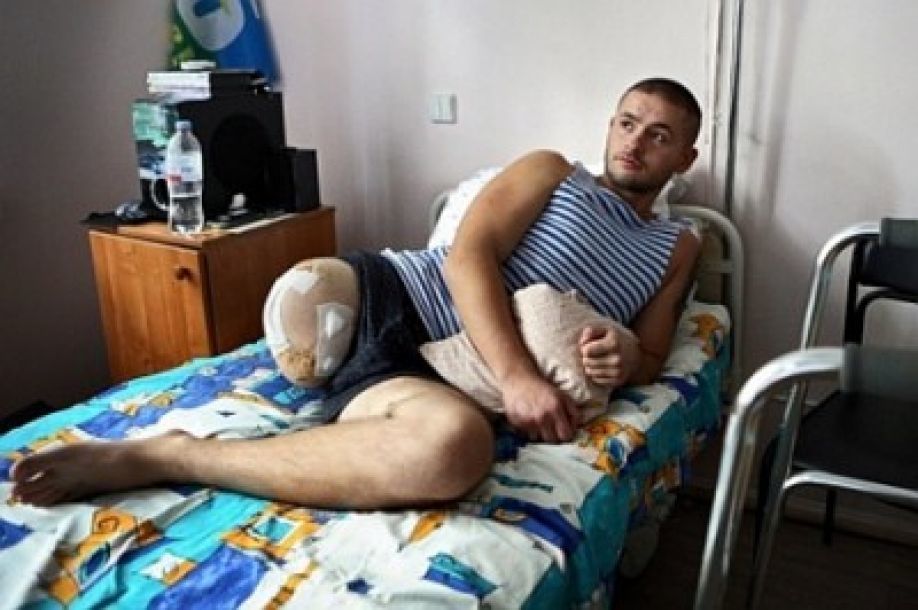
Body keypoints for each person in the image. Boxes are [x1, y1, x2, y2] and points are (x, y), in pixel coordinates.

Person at [10, 77, 701, 509]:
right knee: (305, 297)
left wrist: (623, 357)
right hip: (398, 298)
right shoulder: (552, 171)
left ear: (685, 159)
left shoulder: (679, 246)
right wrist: (519, 377)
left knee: (455, 449)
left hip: (446, 379)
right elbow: (468, 257)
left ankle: (172, 454)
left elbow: (651, 359)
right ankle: (318, 344)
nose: (634, 142)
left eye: (659, 135)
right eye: (626, 121)